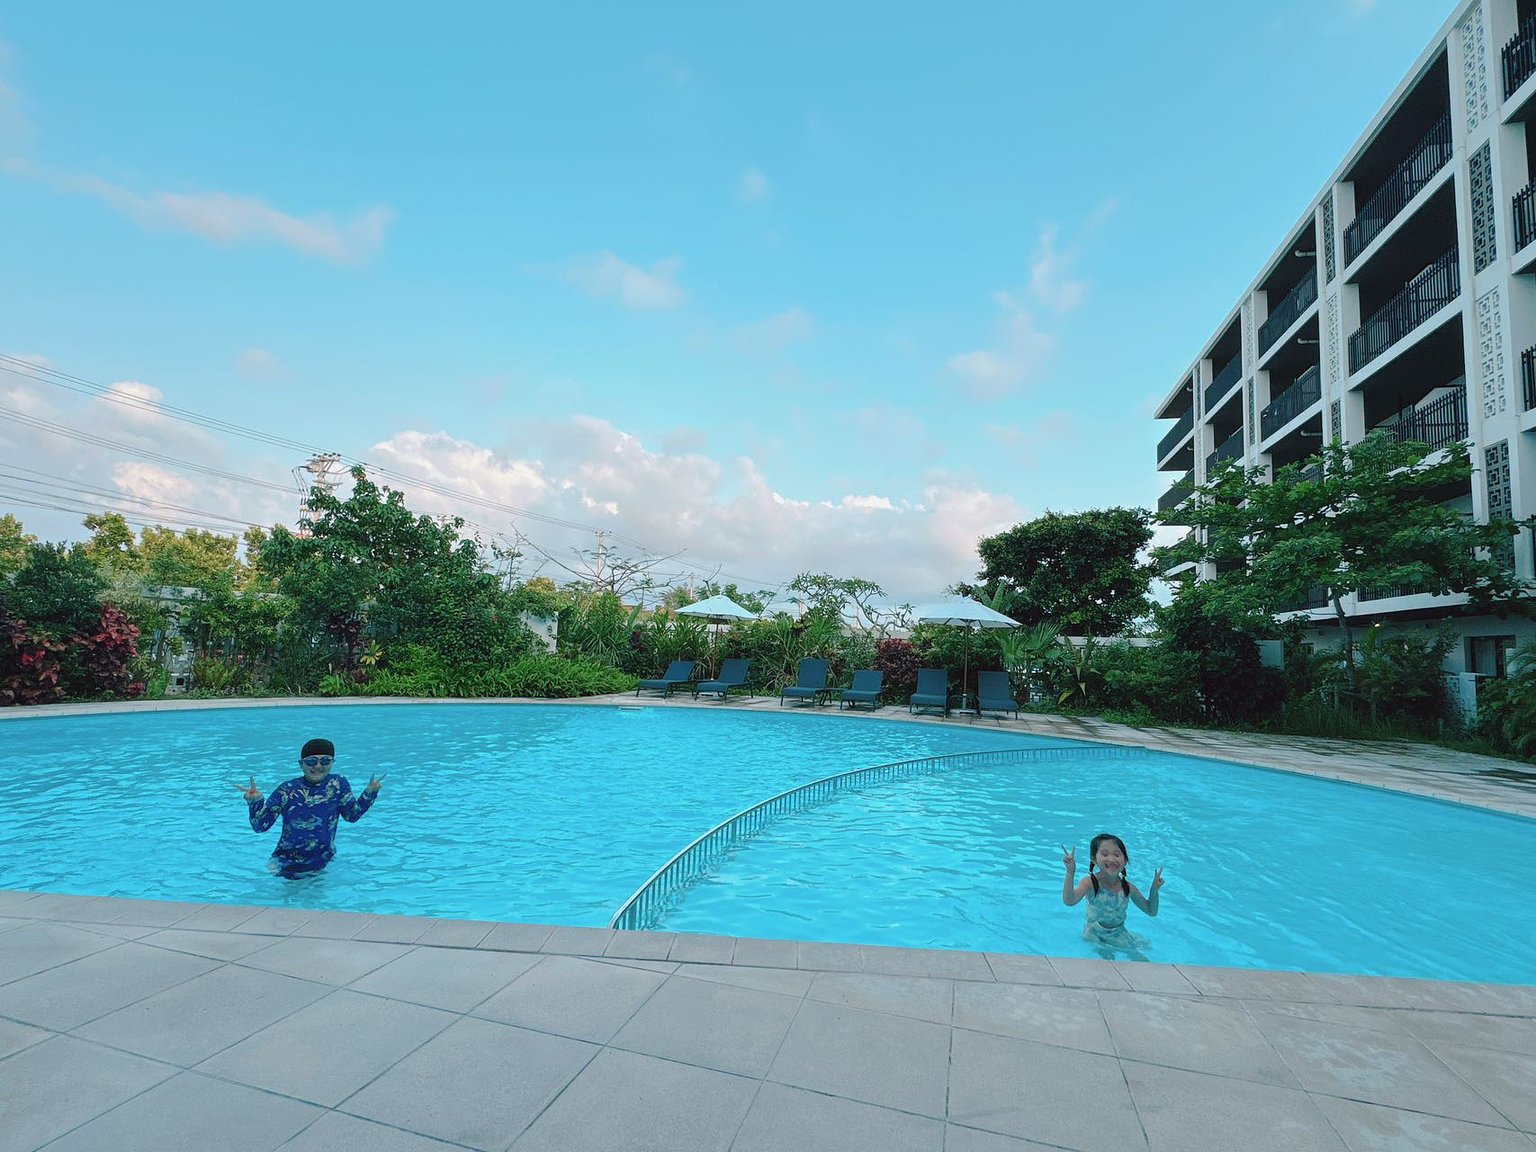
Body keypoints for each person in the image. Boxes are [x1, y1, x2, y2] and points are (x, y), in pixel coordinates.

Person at [238, 738, 383, 877]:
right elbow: (260, 826)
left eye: (325, 760)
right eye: (311, 761)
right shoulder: (287, 790)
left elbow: (352, 816)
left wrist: (369, 794)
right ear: (301, 764)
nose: (318, 766)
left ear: (332, 762)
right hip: (287, 863)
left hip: (324, 860)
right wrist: (255, 802)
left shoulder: (338, 784)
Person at [1061, 833, 1164, 959]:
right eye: (1105, 854)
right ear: (1094, 859)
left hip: (1119, 933)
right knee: (1109, 962)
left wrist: (1154, 890)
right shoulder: (1090, 883)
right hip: (1095, 935)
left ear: (1125, 861)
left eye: (1117, 854)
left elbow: (1151, 911)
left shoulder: (1128, 888)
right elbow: (1069, 901)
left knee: (1142, 958)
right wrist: (1070, 872)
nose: (1111, 859)